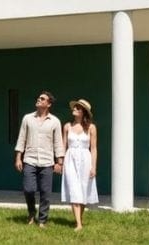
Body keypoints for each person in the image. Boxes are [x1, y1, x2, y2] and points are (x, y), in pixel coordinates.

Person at [14, 91, 65, 228]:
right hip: (29, 159)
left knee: (45, 193)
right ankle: (31, 213)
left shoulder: (55, 121)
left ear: (48, 104)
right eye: (38, 98)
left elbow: (58, 143)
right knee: (29, 189)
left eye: (42, 99)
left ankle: (42, 220)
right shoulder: (27, 118)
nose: (38, 99)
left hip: (47, 161)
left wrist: (59, 162)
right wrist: (18, 157)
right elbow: (22, 138)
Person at [61, 98, 98, 231]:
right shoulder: (67, 126)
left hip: (85, 160)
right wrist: (60, 162)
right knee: (73, 189)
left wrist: (93, 167)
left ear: (84, 112)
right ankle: (79, 224)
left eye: (78, 108)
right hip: (70, 160)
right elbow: (63, 146)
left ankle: (79, 219)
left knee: (83, 190)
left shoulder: (91, 128)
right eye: (74, 107)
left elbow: (93, 148)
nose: (75, 109)